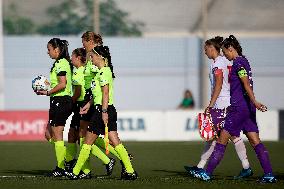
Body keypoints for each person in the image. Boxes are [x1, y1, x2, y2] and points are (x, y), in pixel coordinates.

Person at [194, 35, 276, 183]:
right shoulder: (246, 61)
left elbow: (245, 83)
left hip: (238, 108)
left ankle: (206, 172)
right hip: (248, 109)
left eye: (225, 51)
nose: (224, 54)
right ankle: (269, 174)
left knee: (221, 140)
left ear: (230, 49)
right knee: (255, 141)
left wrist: (254, 101)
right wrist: (253, 103)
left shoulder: (238, 63)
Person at [66, 45, 138, 180]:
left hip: (102, 110)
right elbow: (97, 94)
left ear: (100, 57)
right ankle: (130, 171)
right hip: (106, 109)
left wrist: (103, 111)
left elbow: (105, 93)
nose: (90, 59)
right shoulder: (100, 72)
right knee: (116, 142)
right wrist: (88, 104)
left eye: (92, 56)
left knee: (87, 143)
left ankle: (75, 172)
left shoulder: (104, 71)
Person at [184, 36, 252, 179]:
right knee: (224, 136)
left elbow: (219, 84)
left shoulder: (217, 64)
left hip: (222, 104)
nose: (204, 52)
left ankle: (203, 168)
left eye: (205, 49)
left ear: (211, 48)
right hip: (228, 103)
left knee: (222, 136)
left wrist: (210, 105)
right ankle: (201, 167)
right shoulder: (226, 61)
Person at [37, 38, 73, 177]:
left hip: (62, 100)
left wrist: (47, 92)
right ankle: (66, 161)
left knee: (57, 134)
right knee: (49, 134)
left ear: (57, 50)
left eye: (49, 49)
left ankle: (62, 167)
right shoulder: (58, 63)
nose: (48, 52)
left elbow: (62, 84)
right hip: (56, 101)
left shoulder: (62, 63)